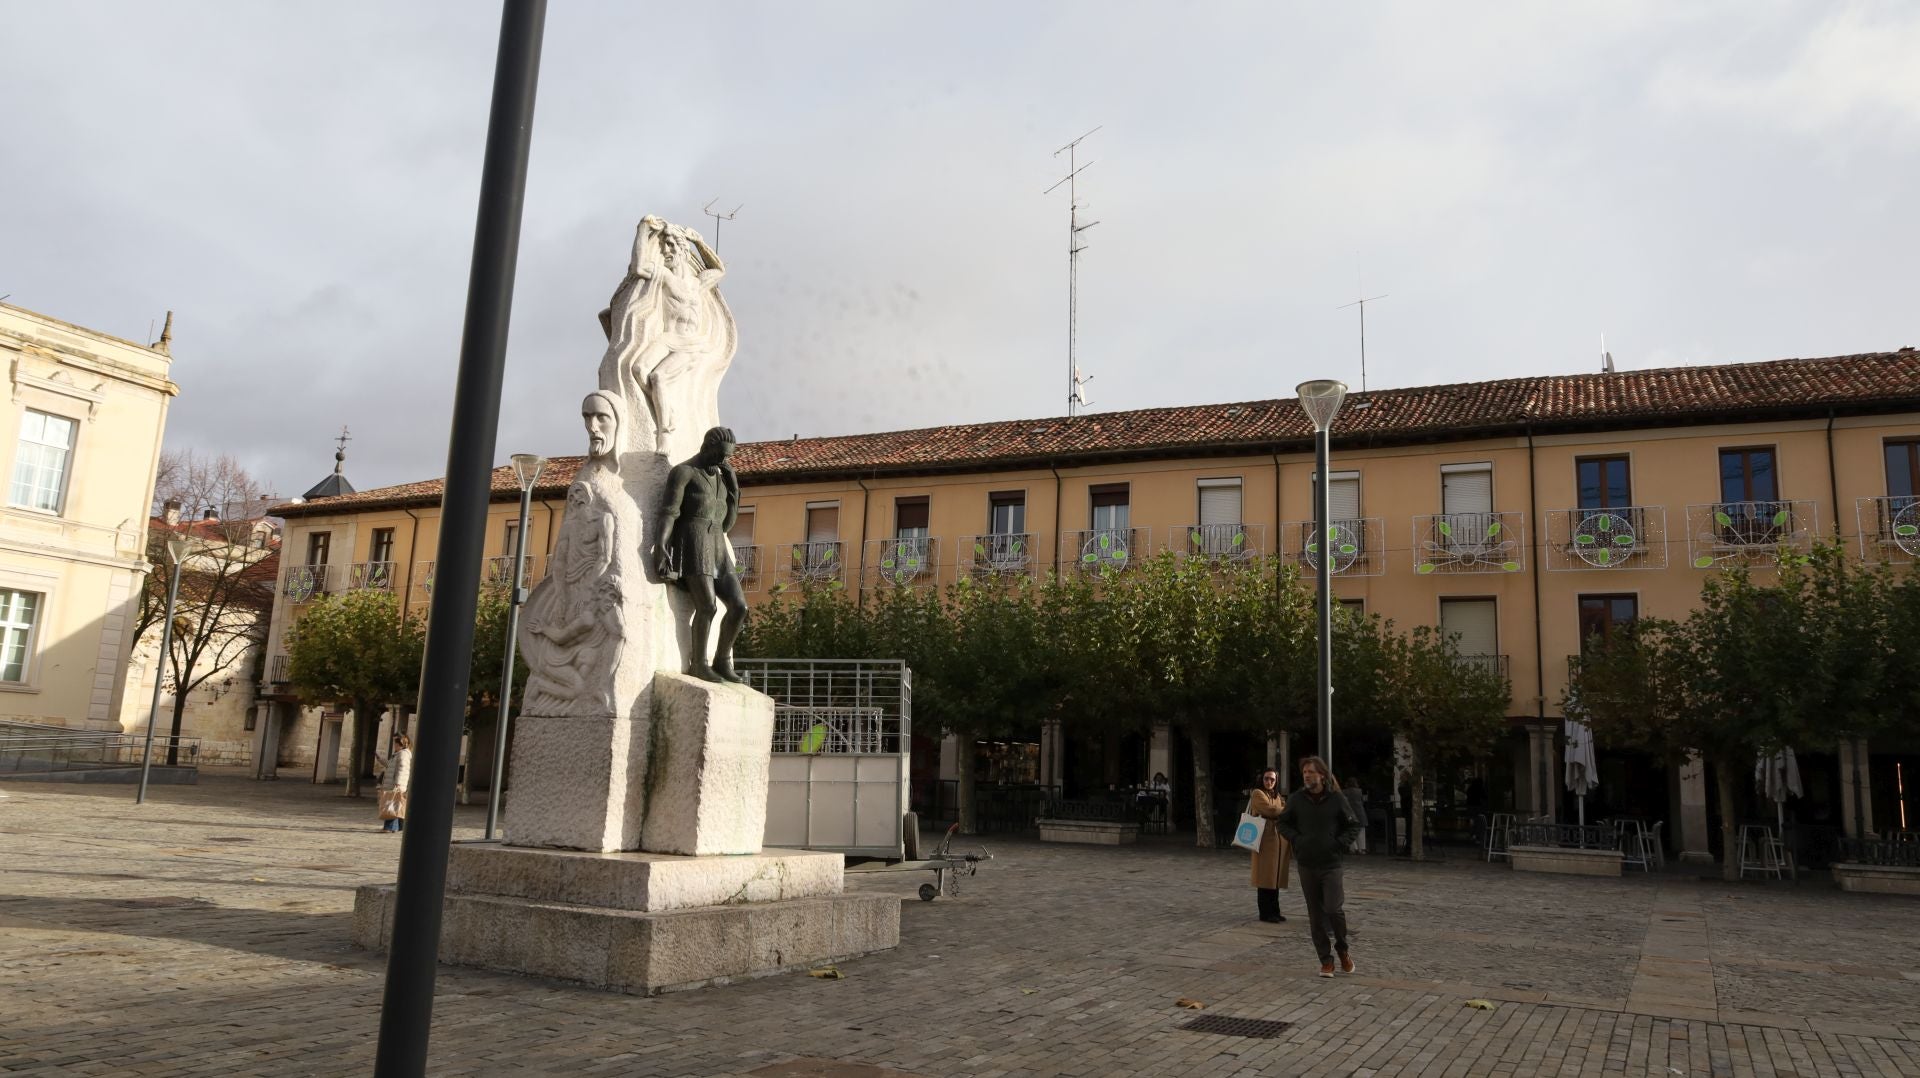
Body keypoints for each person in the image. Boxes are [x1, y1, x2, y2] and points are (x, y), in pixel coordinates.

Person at [657, 426, 750, 683]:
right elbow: (669, 512)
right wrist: (661, 545)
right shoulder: (684, 473)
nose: (723, 461)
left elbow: (728, 524)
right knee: (707, 606)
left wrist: (734, 490)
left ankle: (722, 661)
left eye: (727, 457)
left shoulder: (720, 479)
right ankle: (699, 664)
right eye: (720, 455)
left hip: (717, 544)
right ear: (706, 447)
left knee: (739, 607)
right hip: (693, 542)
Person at [1274, 755, 1362, 977]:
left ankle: (1342, 949)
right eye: (1304, 772)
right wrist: (1297, 839)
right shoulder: (1296, 799)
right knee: (1315, 916)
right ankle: (1326, 960)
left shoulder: (1336, 799)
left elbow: (1353, 825)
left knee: (1333, 909)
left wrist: (1339, 844)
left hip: (1331, 864)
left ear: (1321, 775)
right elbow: (1282, 822)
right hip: (1306, 863)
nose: (1306, 776)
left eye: (1311, 772)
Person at [1247, 767, 1292, 923]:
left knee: (1275, 878)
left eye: (1272, 779)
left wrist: (1281, 810)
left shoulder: (1276, 795)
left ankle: (1275, 910)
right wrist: (1285, 810)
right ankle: (1265, 913)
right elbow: (1270, 810)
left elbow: (1276, 809)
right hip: (1265, 841)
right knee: (1265, 877)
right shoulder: (1257, 793)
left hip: (1278, 841)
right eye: (1266, 778)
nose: (1269, 782)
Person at [378, 734, 413, 834]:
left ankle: (389, 827)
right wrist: (380, 759)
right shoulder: (398, 754)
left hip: (396, 784)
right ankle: (399, 827)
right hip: (393, 783)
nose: (394, 746)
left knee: (392, 805)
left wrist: (398, 783)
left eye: (395, 744)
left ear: (400, 744)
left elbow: (402, 769)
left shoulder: (403, 754)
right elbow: (390, 765)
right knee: (397, 805)